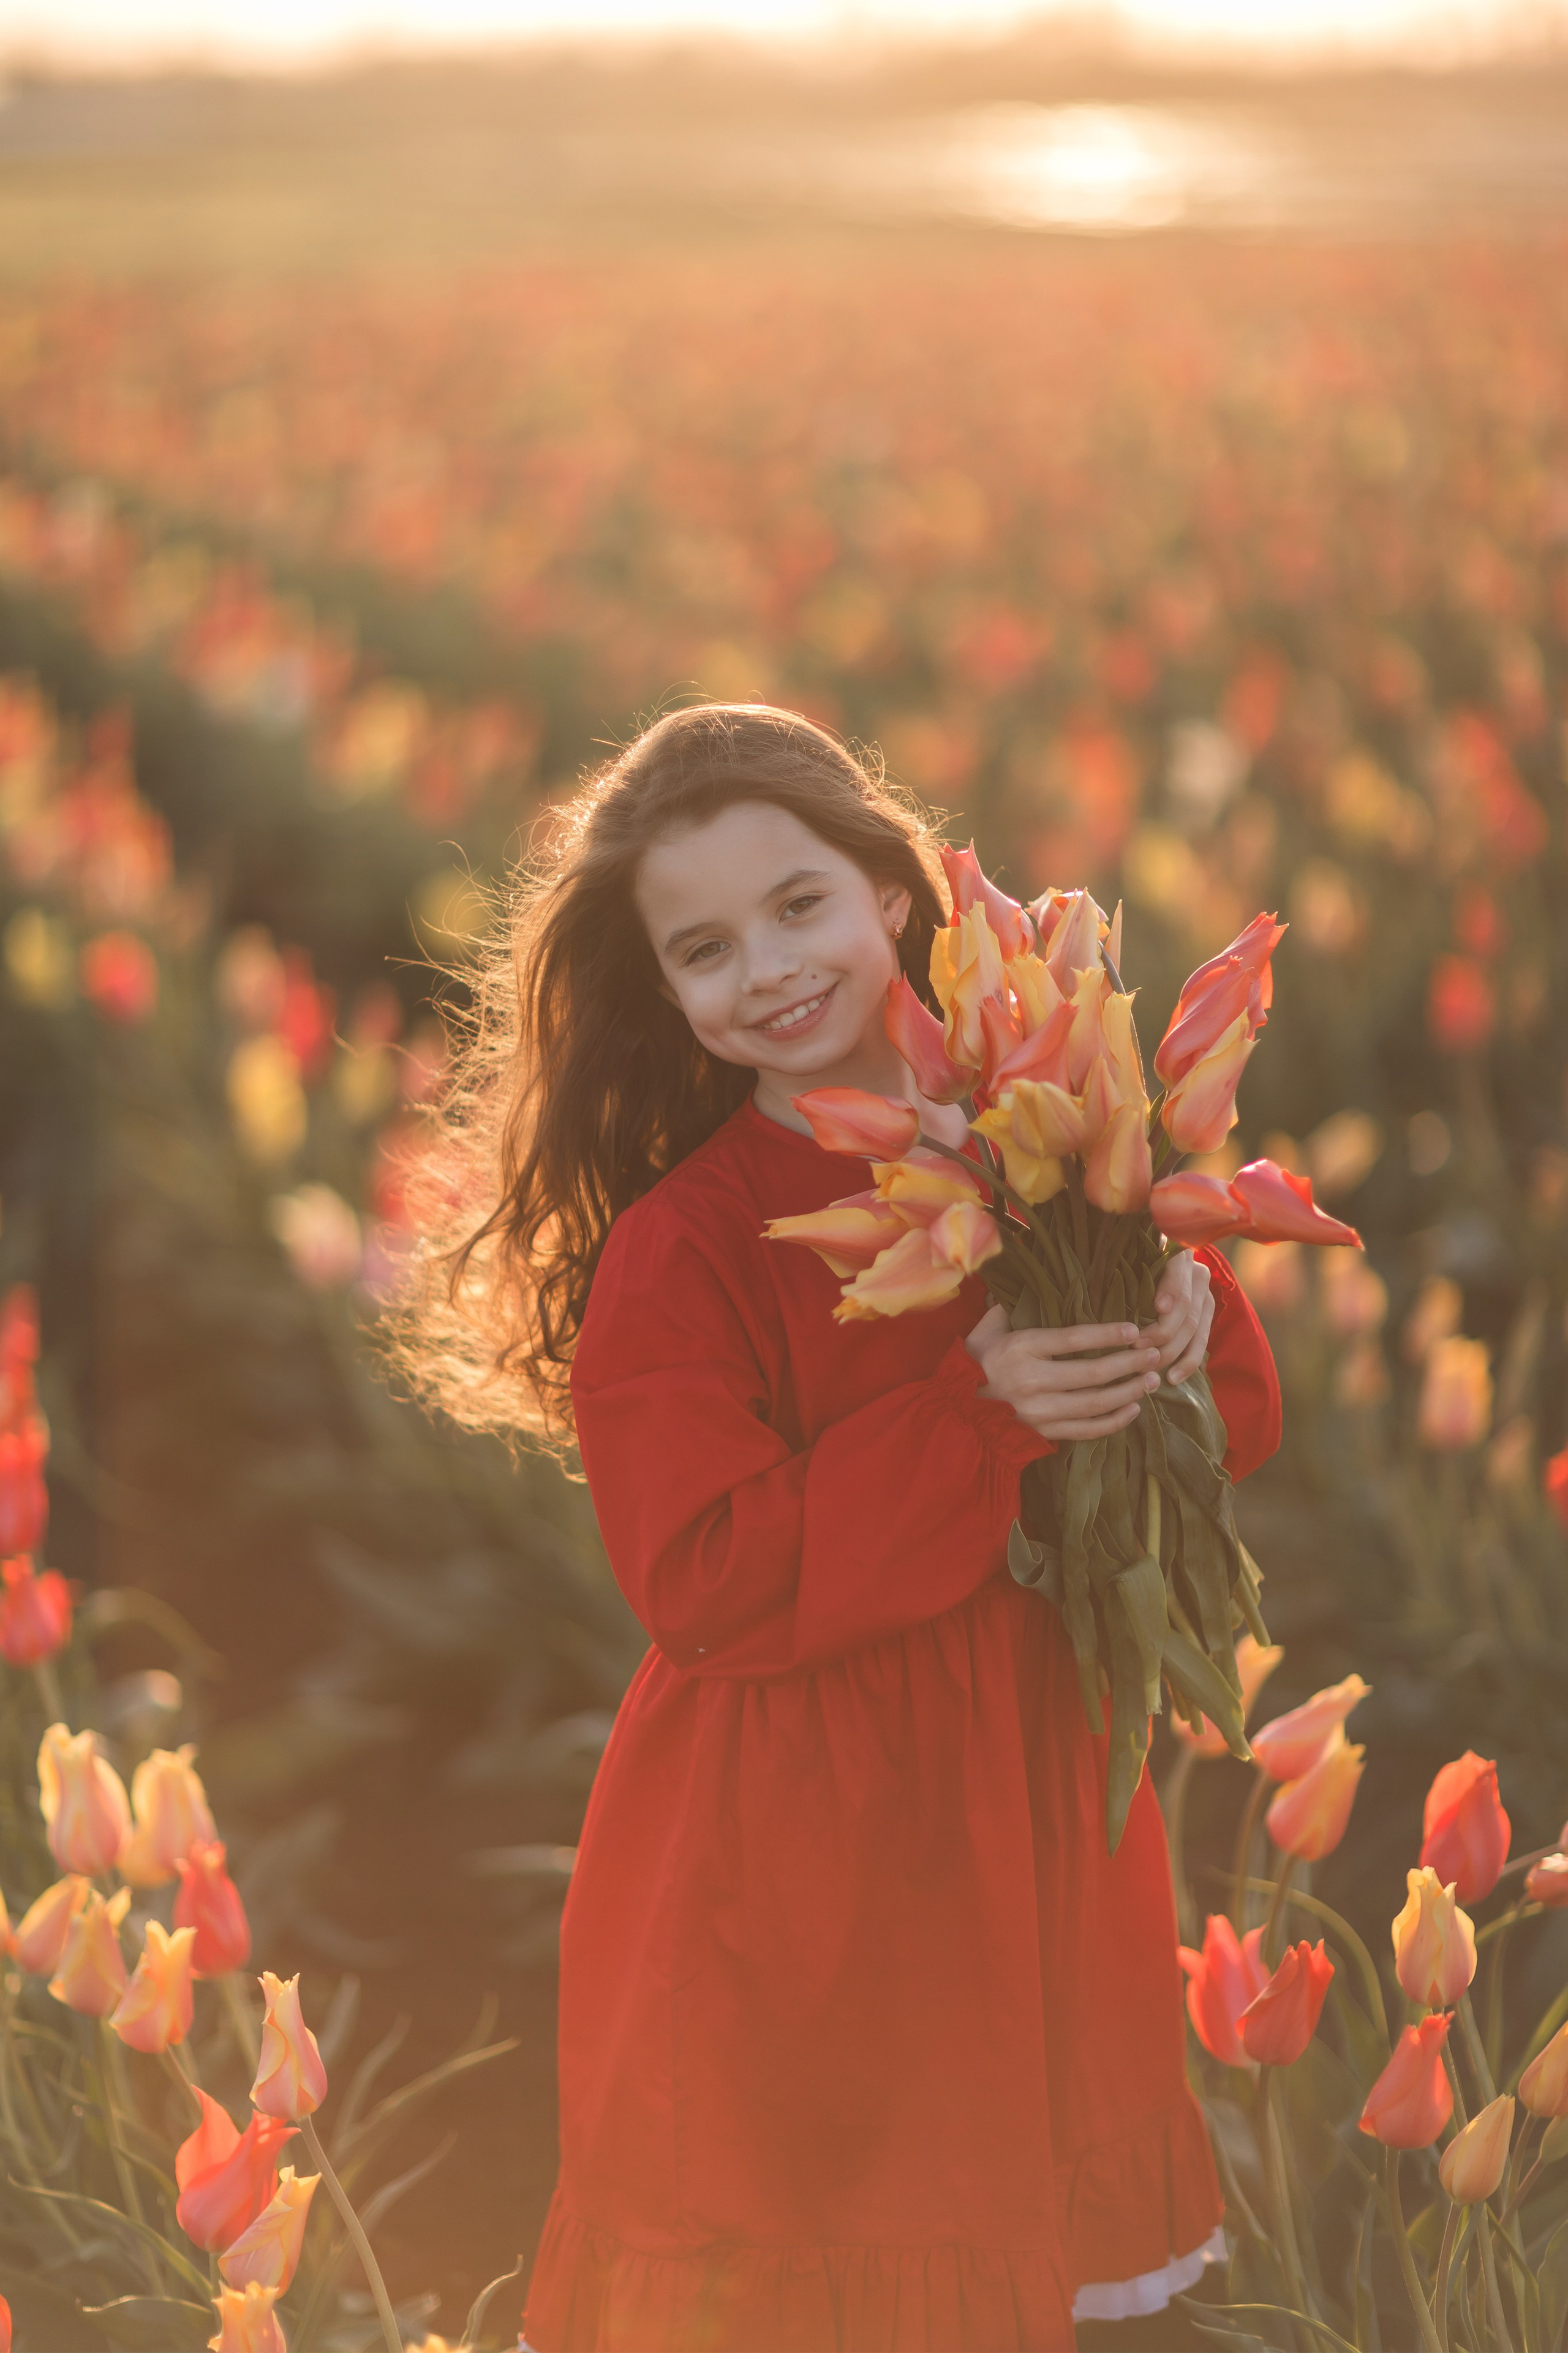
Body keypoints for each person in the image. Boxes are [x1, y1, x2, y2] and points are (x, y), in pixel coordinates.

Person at [394, 703, 1283, 2353]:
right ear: (666, 992)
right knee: (822, 2269)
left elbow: (1214, 1442)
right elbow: (706, 1576)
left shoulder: (1047, 1133)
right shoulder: (690, 1248)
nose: (770, 968)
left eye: (798, 904)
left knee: (995, 2257)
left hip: (1017, 1800)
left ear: (893, 891)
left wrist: (1169, 1311)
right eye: (706, 946)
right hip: (798, 1850)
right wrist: (982, 1406)